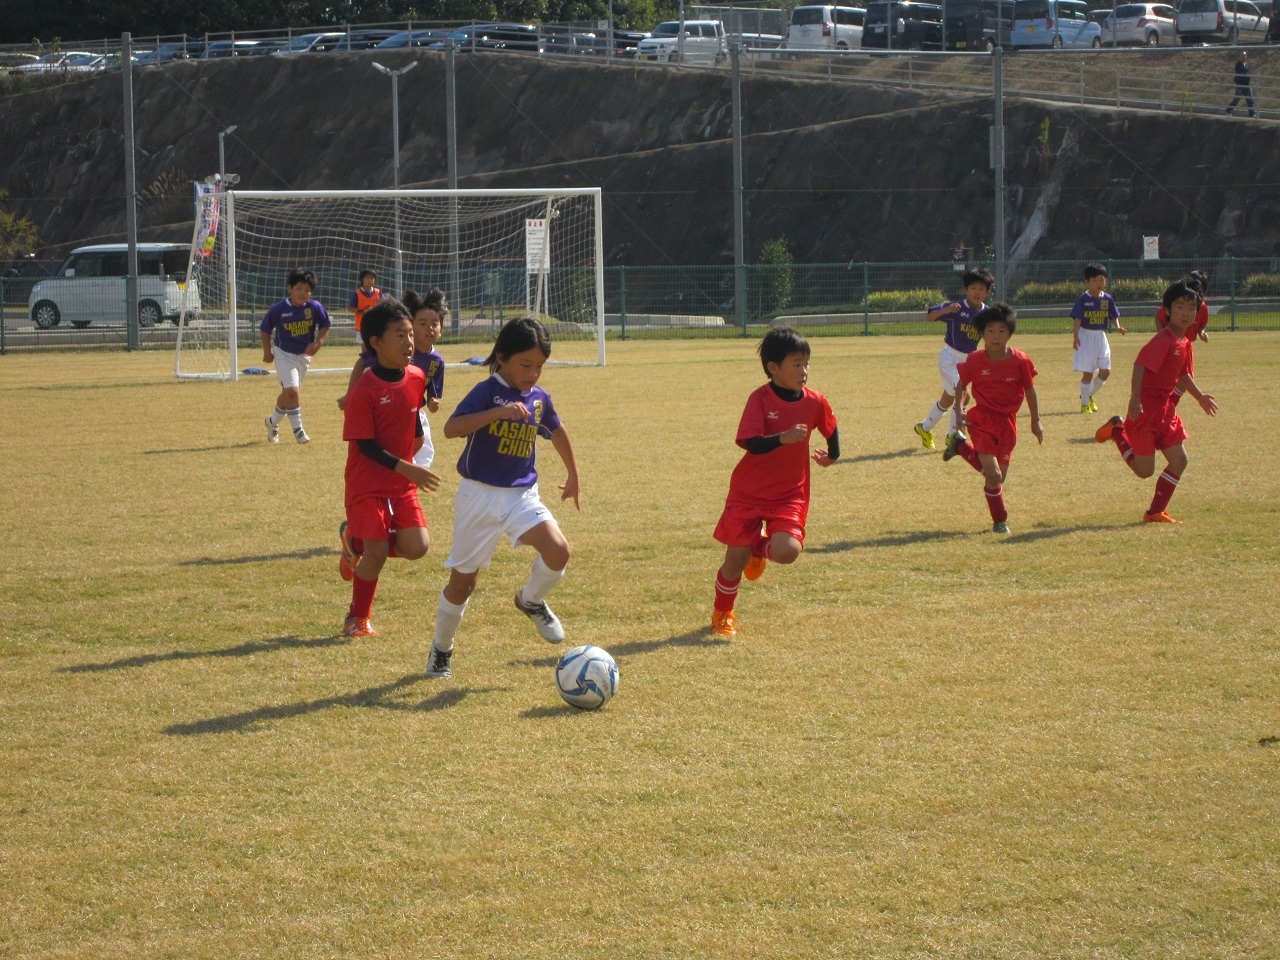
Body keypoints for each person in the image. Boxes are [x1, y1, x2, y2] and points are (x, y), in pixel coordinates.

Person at [426, 317, 581, 680]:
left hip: (522, 494)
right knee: (463, 583)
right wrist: (497, 412)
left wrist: (573, 474)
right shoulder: (487, 391)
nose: (533, 373)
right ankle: (441, 649)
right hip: (478, 497)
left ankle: (530, 600)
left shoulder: (540, 399)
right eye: (525, 364)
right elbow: (451, 429)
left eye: (540, 366)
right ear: (502, 357)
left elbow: (556, 430)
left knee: (559, 551)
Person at [710, 326, 839, 638]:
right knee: (735, 561)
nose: (804, 371)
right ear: (773, 368)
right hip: (748, 492)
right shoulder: (760, 399)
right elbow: (750, 443)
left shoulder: (815, 401)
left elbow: (831, 429)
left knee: (788, 551)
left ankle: (761, 546)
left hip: (789, 495)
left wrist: (832, 456)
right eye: (796, 364)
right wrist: (782, 438)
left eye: (806, 364)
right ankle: (722, 613)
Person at [337, 299, 442, 637]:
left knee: (417, 548)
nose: (409, 341)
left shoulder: (417, 377)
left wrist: (410, 460)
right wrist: (407, 469)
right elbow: (364, 446)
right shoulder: (365, 389)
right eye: (400, 335)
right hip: (366, 482)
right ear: (376, 343)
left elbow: (412, 426)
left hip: (400, 480)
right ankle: (357, 618)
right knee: (379, 551)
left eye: (410, 334)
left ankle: (355, 541)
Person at [1095, 280, 1217, 524]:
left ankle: (1154, 512)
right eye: (1180, 306)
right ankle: (1118, 431)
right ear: (1167, 311)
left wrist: (1200, 396)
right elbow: (1140, 365)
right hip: (1147, 408)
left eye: (1191, 307)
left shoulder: (1185, 343)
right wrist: (1135, 398)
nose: (1186, 312)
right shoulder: (1165, 339)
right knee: (1144, 471)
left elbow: (1183, 375)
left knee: (1180, 460)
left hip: (1165, 409)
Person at [943, 303, 1043, 535]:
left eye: (1001, 331)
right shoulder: (975, 360)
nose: (996, 336)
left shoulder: (1020, 361)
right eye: (990, 331)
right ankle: (1000, 521)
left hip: (1008, 423)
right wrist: (959, 410)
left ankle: (959, 446)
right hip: (982, 420)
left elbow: (1030, 389)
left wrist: (1035, 420)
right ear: (982, 333)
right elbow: (961, 385)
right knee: (994, 475)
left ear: (1009, 333)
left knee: (999, 478)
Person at [338, 287, 447, 469]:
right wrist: (350, 394)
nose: (429, 328)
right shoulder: (392, 350)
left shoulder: (436, 361)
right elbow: (362, 363)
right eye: (422, 323)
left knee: (421, 458)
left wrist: (433, 401)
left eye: (435, 323)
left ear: (441, 329)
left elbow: (431, 389)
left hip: (414, 413)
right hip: (388, 411)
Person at [913, 268, 995, 450]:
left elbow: (990, 337)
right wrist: (946, 310)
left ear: (988, 292)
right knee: (963, 394)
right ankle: (953, 435)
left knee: (949, 398)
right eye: (973, 288)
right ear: (965, 290)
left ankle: (924, 427)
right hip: (950, 358)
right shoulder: (957, 308)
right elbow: (929, 317)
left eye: (982, 289)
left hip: (968, 362)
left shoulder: (987, 314)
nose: (977, 292)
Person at [260, 268, 331, 445]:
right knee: (292, 391)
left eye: (307, 290)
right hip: (284, 354)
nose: (303, 293)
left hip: (303, 356)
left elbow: (325, 325)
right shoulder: (279, 309)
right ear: (290, 288)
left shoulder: (314, 307)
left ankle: (272, 422)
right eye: (299, 288)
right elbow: (265, 329)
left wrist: (318, 343)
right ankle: (298, 429)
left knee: (289, 393)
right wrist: (267, 351)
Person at [1071, 263, 1127, 414]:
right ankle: (1084, 405)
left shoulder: (1107, 299)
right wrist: (1076, 337)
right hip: (1086, 336)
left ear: (1106, 282)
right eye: (1095, 280)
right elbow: (1077, 318)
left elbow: (1113, 315)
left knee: (1105, 371)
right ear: (1087, 282)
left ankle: (1088, 395)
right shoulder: (1083, 299)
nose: (1099, 284)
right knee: (1088, 372)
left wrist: (1118, 327)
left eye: (1102, 280)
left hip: (1101, 337)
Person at [348, 269, 385, 334]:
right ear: (362, 279)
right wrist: (362, 311)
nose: (370, 280)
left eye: (372, 278)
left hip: (375, 325)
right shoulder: (357, 293)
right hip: (361, 325)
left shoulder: (378, 292)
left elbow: (384, 305)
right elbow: (350, 308)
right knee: (364, 344)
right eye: (367, 277)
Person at [1226, 51, 1256, 118]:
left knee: (1250, 100)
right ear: (1240, 57)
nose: (1243, 57)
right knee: (1237, 99)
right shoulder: (1238, 65)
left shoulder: (1247, 65)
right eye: (1242, 55)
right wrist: (1246, 75)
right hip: (1240, 85)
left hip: (1247, 85)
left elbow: (1249, 73)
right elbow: (1240, 73)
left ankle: (1252, 114)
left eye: (1245, 55)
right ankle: (1228, 111)